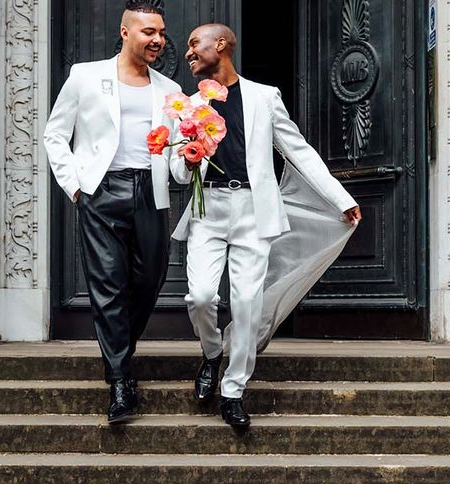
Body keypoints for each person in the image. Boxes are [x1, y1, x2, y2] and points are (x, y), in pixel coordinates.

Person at [171, 24, 362, 429]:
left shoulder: (264, 96)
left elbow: (299, 151)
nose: (188, 53)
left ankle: (233, 389)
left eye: (194, 44)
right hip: (209, 209)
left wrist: (339, 198)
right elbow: (179, 173)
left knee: (246, 305)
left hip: (254, 212)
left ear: (220, 45)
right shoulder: (187, 104)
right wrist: (187, 160)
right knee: (202, 296)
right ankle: (211, 353)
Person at [44, 0, 180, 423]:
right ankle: (121, 382)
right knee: (107, 285)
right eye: (148, 32)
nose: (157, 39)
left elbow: (174, 158)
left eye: (160, 32)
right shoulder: (85, 77)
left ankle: (118, 352)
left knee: (150, 276)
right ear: (125, 32)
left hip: (150, 192)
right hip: (101, 190)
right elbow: (55, 134)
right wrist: (76, 187)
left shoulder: (170, 91)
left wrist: (189, 159)